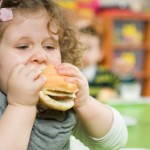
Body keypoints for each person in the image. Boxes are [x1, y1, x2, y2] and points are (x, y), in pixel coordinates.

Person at [0, 0, 128, 149]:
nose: (41, 56)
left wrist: (85, 103)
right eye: (23, 46)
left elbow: (115, 142)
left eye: (49, 46)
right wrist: (20, 106)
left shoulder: (59, 102)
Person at [78, 19, 120, 101]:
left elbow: (122, 90)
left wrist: (126, 74)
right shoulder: (72, 73)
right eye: (78, 48)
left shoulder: (108, 75)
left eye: (88, 48)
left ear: (101, 53)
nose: (83, 53)